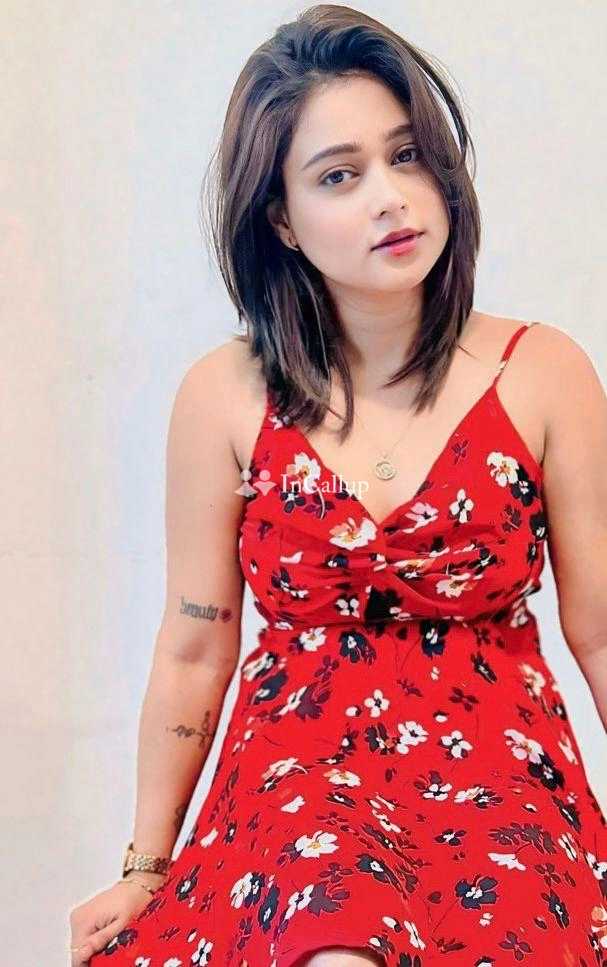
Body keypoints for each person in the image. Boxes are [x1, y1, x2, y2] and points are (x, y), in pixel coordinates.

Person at [68, 4, 607, 965]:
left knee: (508, 932)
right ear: (279, 217)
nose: (391, 198)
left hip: (500, 762)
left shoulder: (541, 371)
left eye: (407, 157)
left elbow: (601, 632)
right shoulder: (224, 395)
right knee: (329, 932)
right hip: (297, 765)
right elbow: (195, 647)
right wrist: (145, 868)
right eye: (338, 175)